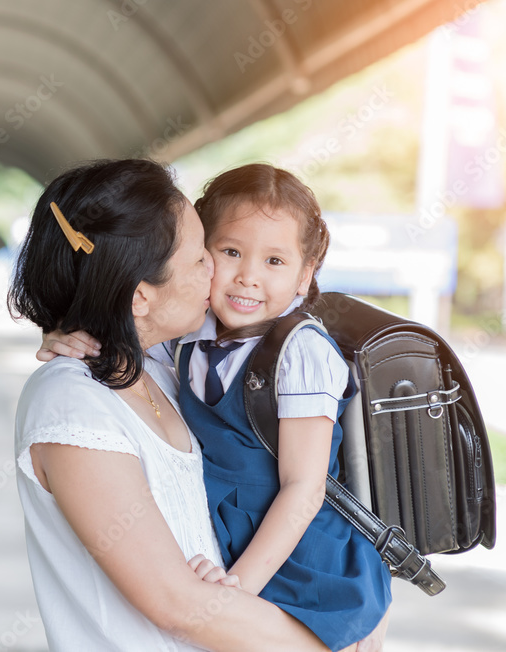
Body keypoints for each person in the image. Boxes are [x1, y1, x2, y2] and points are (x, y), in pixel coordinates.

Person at [41, 163, 392, 651]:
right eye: (229, 252)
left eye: (274, 262)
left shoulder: (302, 352)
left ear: (304, 275)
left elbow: (303, 487)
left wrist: (238, 586)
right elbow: (125, 328)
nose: (247, 277)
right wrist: (64, 334)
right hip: (235, 548)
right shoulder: (190, 336)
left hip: (300, 561)